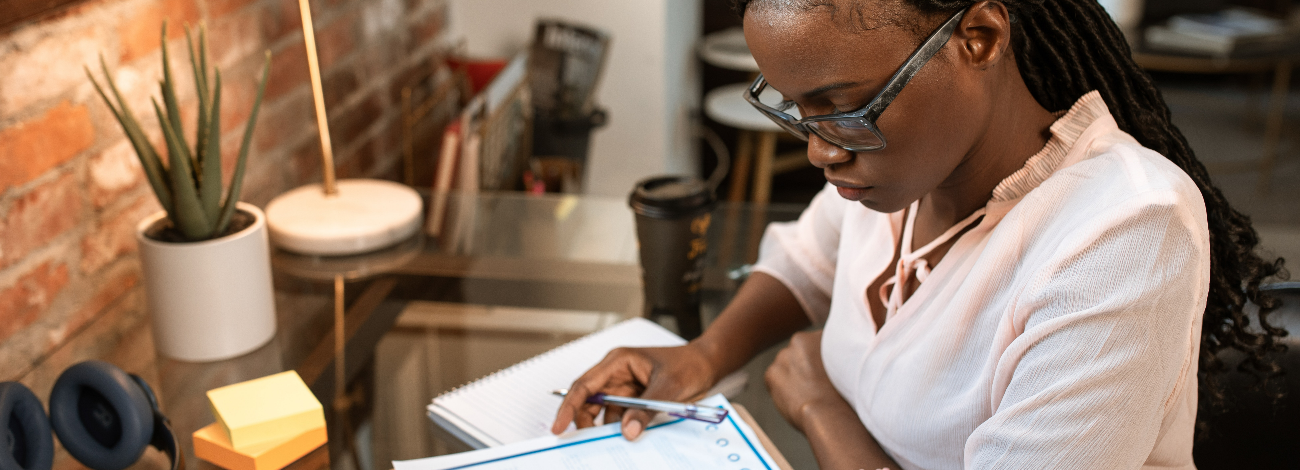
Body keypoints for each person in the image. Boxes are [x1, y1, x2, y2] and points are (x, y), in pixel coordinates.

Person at [551, 0, 1288, 468]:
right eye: (797, 110)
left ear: (978, 36)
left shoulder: (1123, 235)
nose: (819, 149)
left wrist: (819, 407)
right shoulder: (898, 164)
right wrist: (702, 356)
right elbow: (810, 261)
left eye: (842, 107)